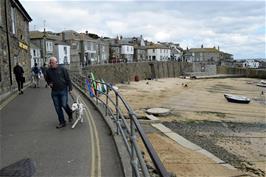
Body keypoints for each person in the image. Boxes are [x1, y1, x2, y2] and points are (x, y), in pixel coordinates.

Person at [45, 57, 73, 128]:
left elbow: (67, 78)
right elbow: (47, 79)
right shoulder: (48, 71)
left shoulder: (63, 69)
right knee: (57, 108)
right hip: (54, 92)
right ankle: (62, 122)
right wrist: (49, 83)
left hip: (63, 90)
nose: (51, 64)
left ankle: (70, 113)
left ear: (56, 62)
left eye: (52, 63)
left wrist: (70, 88)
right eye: (50, 63)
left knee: (64, 104)